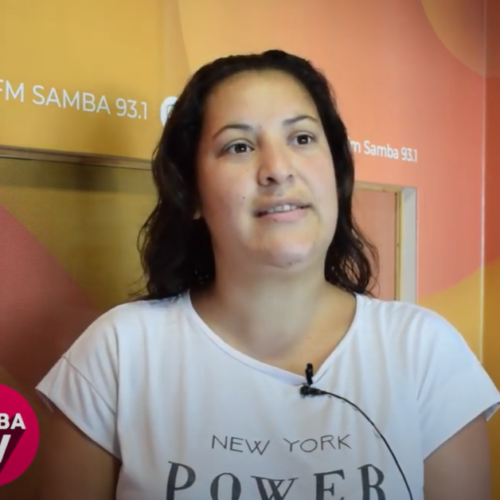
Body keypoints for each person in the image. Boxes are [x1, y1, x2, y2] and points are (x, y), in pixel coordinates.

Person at [37, 49, 499, 500]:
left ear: (336, 173)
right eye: (239, 146)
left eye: (302, 138)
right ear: (191, 193)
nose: (278, 170)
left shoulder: (424, 350)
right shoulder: (119, 353)